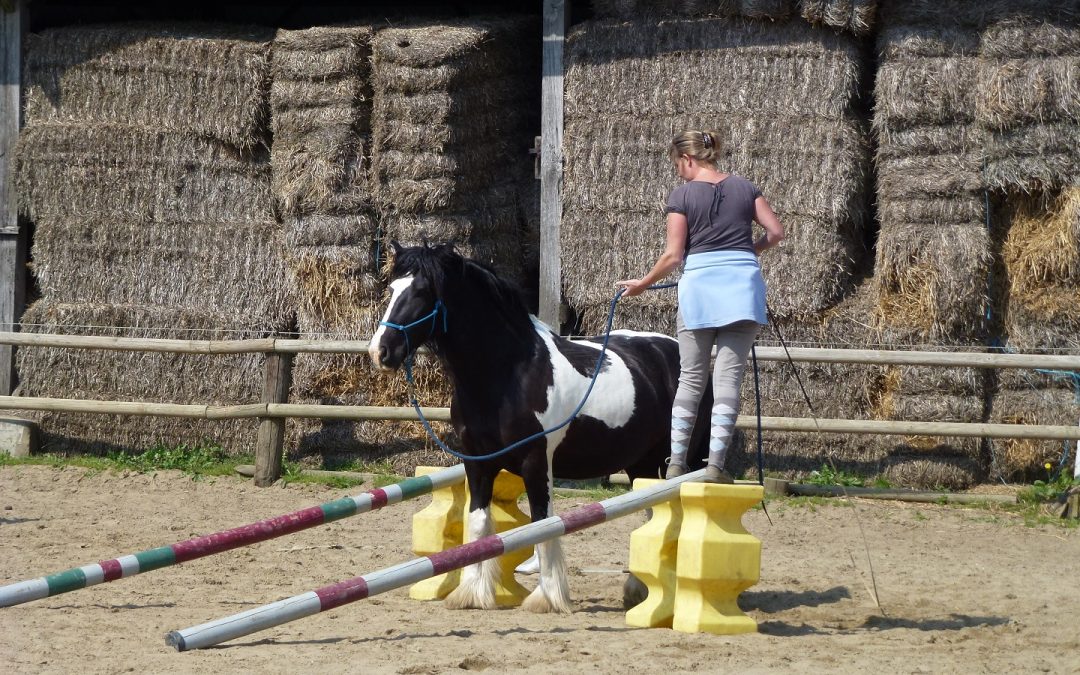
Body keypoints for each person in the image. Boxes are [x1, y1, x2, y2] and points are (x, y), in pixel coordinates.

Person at [617, 129, 785, 483]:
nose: (678, 171)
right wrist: (747, 251)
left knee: (691, 378)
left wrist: (643, 284)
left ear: (688, 159)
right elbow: (776, 232)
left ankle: (677, 461)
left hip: (700, 291)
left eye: (678, 164)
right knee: (729, 380)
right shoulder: (745, 186)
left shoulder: (682, 195)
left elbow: (674, 255)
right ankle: (715, 466)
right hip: (743, 290)